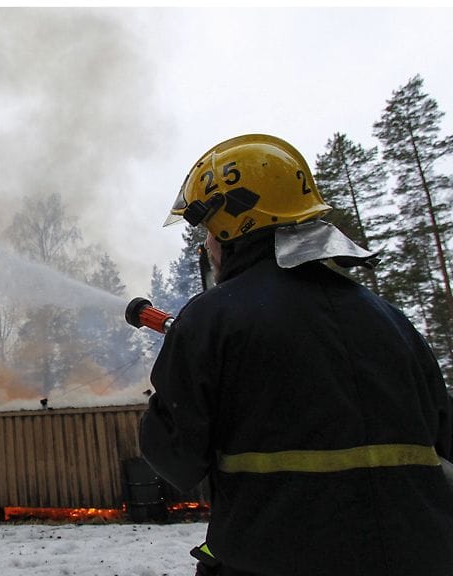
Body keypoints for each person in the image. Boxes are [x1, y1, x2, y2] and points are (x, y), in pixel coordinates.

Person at [139, 134, 453, 576]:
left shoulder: (211, 319)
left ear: (233, 225)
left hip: (276, 559)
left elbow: (174, 456)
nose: (207, 244)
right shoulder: (393, 320)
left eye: (207, 229)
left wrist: (173, 375)